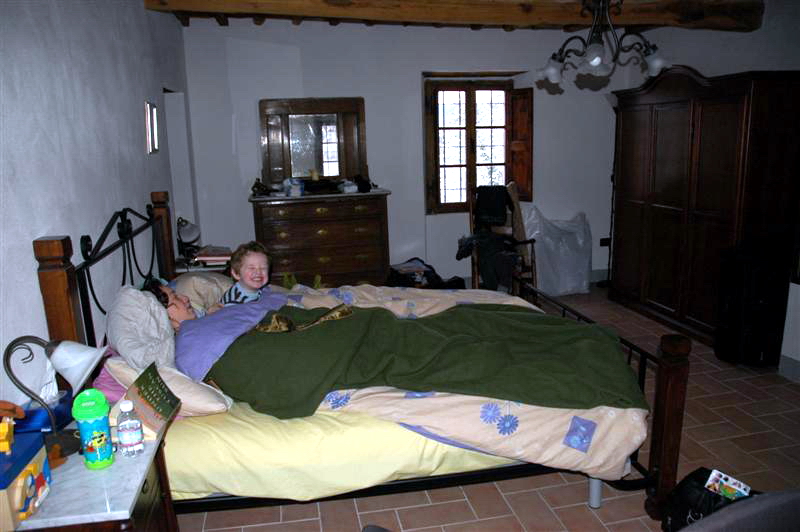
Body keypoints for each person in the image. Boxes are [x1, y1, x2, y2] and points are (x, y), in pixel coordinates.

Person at [220, 241, 270, 306]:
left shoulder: (265, 290)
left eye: (263, 268)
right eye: (252, 268)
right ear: (236, 274)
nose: (258, 272)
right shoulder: (234, 301)